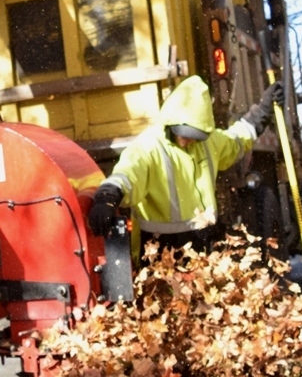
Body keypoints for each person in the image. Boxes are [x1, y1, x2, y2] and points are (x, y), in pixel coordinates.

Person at [87, 74, 283, 257]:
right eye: (185, 134)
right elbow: (127, 175)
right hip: (159, 248)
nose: (190, 141)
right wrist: (107, 198)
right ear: (171, 122)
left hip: (203, 243)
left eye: (196, 136)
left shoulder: (208, 143)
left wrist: (264, 110)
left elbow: (237, 140)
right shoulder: (148, 147)